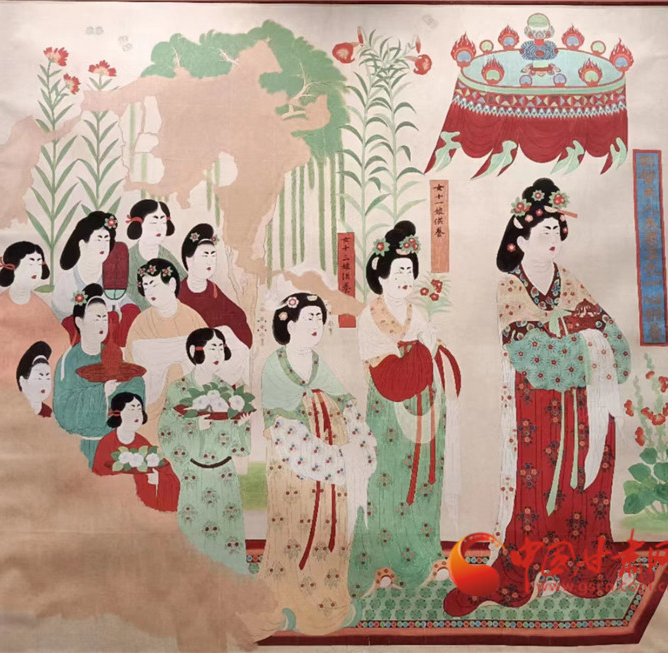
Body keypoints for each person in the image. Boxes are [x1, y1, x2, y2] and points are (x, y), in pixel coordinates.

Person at [444, 178, 632, 616]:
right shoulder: (511, 288)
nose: (552, 238)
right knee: (536, 484)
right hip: (535, 405)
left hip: (583, 404)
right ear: (521, 237)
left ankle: (578, 563)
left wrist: (573, 336)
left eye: (557, 230)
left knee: (581, 483)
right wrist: (581, 336)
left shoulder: (571, 282)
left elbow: (616, 343)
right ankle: (524, 567)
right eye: (543, 230)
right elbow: (530, 354)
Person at [347, 221, 462, 598]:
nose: (404, 279)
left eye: (409, 272)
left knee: (424, 478)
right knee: (387, 478)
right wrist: (419, 351)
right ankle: (383, 561)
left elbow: (427, 353)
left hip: (426, 405)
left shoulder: (419, 314)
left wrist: (422, 350)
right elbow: (386, 370)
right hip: (389, 409)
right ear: (379, 275)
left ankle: (423, 554)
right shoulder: (370, 317)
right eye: (397, 272)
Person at [258, 293, 377, 636]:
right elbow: (281, 423)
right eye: (308, 318)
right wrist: (327, 457)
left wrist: (357, 446)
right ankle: (285, 602)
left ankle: (328, 600)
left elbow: (346, 403)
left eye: (319, 318)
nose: (315, 325)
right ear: (289, 323)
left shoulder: (317, 362)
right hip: (294, 464)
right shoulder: (274, 366)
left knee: (331, 531)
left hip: (332, 468)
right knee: (294, 532)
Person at [158, 328, 251, 572]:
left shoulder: (228, 391)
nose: (218, 353)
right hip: (193, 472)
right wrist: (194, 427)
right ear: (194, 351)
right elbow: (166, 431)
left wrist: (241, 426)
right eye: (212, 347)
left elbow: (238, 445)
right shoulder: (179, 389)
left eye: (221, 347)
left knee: (228, 537)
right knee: (194, 534)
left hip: (224, 473)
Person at [53, 284, 145, 466]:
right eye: (96, 318)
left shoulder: (111, 352)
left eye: (104, 318)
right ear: (79, 322)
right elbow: (64, 412)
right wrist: (101, 392)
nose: (102, 323)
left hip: (115, 443)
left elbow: (132, 383)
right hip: (80, 447)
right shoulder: (68, 362)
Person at [125, 259, 206, 444]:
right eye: (146, 287)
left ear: (172, 284)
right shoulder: (140, 323)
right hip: (151, 399)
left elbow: (206, 360)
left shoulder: (192, 318)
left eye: (154, 285)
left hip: (189, 399)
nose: (150, 292)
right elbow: (132, 365)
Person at [0, 241, 69, 391]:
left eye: (39, 263)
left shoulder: (40, 306)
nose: (36, 269)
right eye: (31, 263)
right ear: (14, 267)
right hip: (3, 381)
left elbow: (61, 339)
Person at [52, 211, 139, 345]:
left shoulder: (113, 276)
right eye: (99, 239)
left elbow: (127, 306)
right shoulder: (67, 281)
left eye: (107, 239)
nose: (104, 245)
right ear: (82, 244)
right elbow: (60, 323)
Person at [93, 392, 180, 511]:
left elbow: (164, 468)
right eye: (131, 409)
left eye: (139, 409)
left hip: (142, 505)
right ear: (118, 413)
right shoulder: (107, 443)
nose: (137, 415)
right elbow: (99, 477)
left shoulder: (142, 442)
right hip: (115, 504)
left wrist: (159, 479)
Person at [178, 223, 252, 348]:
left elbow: (238, 320)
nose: (210, 261)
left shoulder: (214, 291)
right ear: (189, 260)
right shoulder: (178, 294)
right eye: (205, 255)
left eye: (213, 255)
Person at [124, 199, 186, 310]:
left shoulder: (166, 256)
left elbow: (183, 283)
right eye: (153, 222)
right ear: (139, 225)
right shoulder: (128, 258)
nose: (160, 228)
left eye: (163, 222)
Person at [16, 341, 53, 417]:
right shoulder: (14, 411)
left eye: (48, 378)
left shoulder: (49, 413)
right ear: (23, 382)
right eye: (39, 378)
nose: (44, 384)